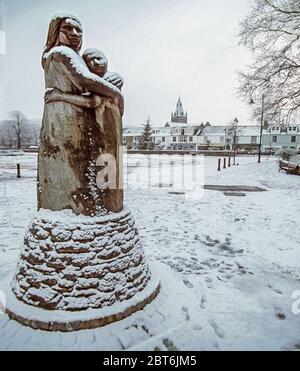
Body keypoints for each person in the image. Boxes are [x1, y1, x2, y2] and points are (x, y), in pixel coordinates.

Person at [39, 14, 124, 216]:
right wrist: (117, 93)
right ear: (55, 32)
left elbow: (90, 86)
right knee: (72, 175)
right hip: (67, 124)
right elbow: (87, 80)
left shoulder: (53, 56)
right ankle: (73, 213)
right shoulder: (62, 53)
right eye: (68, 29)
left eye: (79, 31)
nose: (75, 34)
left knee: (71, 175)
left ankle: (67, 211)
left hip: (62, 123)